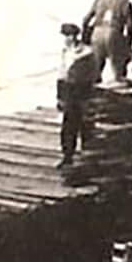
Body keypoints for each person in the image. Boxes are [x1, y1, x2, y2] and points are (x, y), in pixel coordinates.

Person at [55, 24, 103, 167]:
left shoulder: (87, 52)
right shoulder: (65, 51)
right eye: (66, 36)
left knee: (86, 123)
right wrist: (59, 96)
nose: (68, 39)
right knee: (68, 125)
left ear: (76, 36)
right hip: (69, 89)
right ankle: (67, 155)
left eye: (70, 36)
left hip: (83, 89)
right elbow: (62, 73)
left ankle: (88, 156)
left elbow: (95, 74)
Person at [81, 0, 132, 82]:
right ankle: (119, 84)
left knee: (96, 69)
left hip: (96, 33)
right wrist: (128, 45)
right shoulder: (126, 3)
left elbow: (85, 20)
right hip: (113, 34)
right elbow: (130, 27)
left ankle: (94, 89)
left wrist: (85, 38)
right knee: (118, 69)